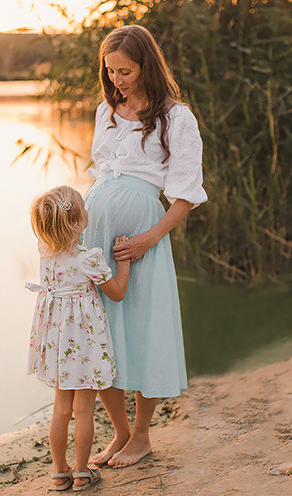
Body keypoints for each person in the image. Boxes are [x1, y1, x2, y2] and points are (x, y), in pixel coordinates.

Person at [83, 24, 207, 469]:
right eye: (111, 70)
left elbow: (186, 194)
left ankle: (142, 435)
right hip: (94, 239)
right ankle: (118, 432)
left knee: (142, 330)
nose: (118, 79)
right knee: (99, 333)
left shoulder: (176, 118)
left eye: (127, 70)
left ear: (146, 65)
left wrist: (148, 239)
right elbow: (99, 174)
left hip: (143, 240)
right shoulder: (106, 111)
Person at [25, 185, 130, 491]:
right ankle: (82, 472)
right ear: (78, 222)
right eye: (84, 209)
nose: (88, 212)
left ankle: (59, 473)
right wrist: (123, 263)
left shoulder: (46, 255)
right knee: (84, 410)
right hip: (84, 346)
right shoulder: (90, 259)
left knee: (61, 409)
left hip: (58, 344)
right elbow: (118, 293)